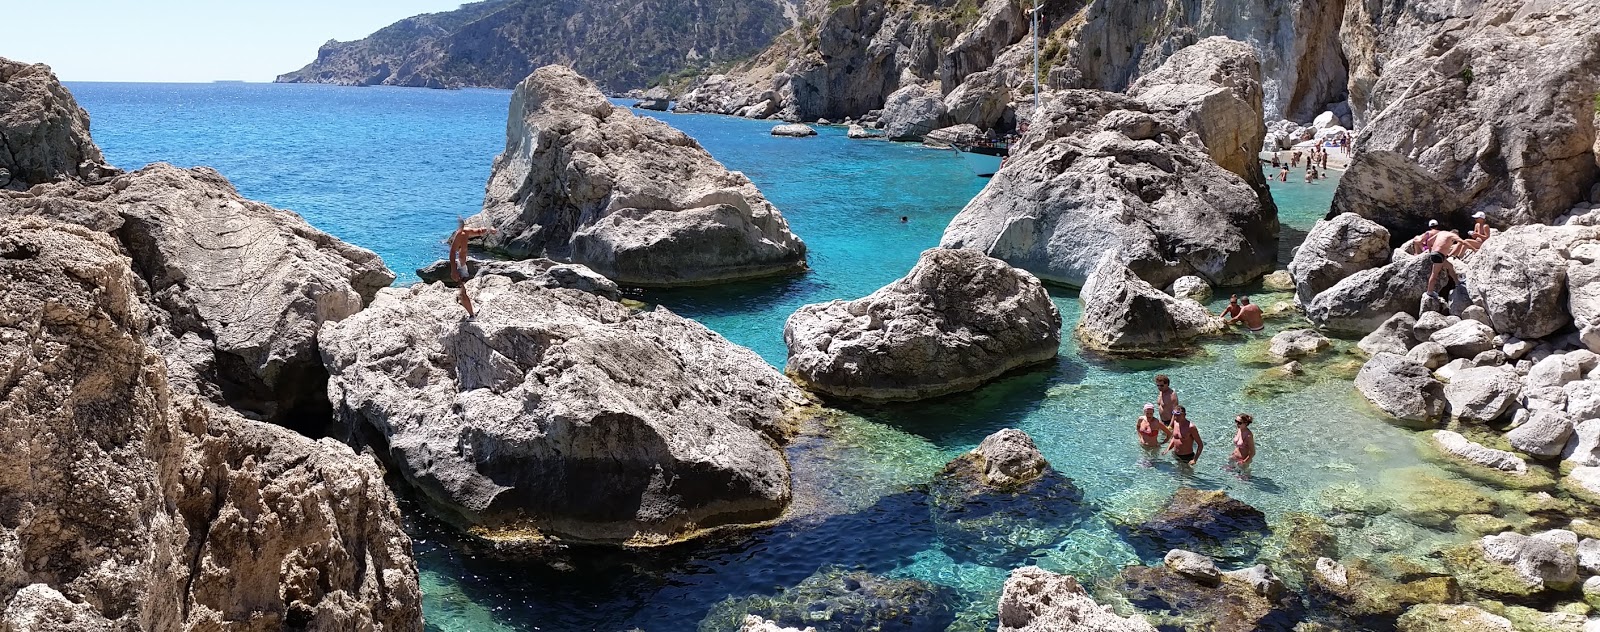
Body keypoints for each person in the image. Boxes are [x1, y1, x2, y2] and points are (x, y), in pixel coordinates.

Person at [449, 218, 498, 319]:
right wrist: (453, 270)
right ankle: (471, 313)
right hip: (460, 265)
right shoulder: (460, 234)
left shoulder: (465, 232)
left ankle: (471, 315)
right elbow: (452, 252)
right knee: (462, 291)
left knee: (462, 291)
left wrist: (490, 229)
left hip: (462, 265)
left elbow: (479, 231)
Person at [1426, 230, 1467, 297]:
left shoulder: (1442, 233)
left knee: (1450, 266)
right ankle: (1429, 291)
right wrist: (1474, 249)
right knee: (1434, 274)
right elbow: (1463, 242)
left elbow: (1429, 241)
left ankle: (1457, 282)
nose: (1453, 241)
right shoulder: (1452, 235)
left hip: (1436, 254)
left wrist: (1430, 251)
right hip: (1439, 255)